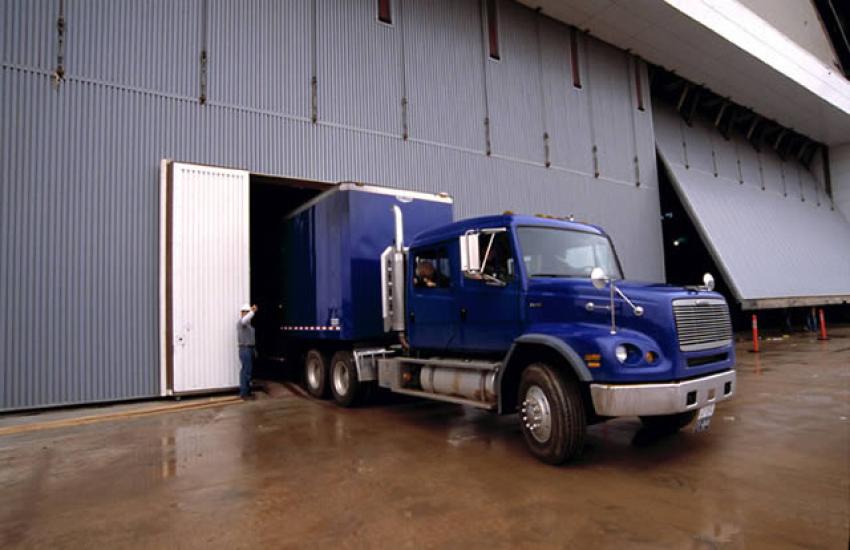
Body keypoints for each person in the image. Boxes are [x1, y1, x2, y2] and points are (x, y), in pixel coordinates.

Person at [237, 304, 258, 400]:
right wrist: (252, 311)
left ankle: (246, 392)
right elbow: (245, 319)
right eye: (245, 312)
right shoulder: (242, 323)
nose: (247, 314)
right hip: (245, 349)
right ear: (243, 313)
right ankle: (245, 394)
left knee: (246, 371)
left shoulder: (248, 325)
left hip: (249, 349)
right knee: (246, 371)